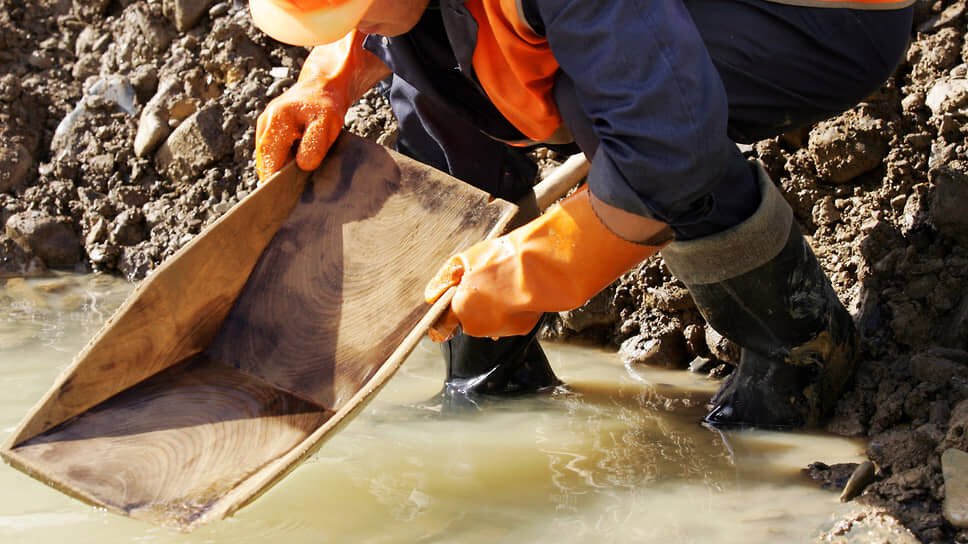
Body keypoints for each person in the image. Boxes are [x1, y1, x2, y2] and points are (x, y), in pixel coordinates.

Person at [248, 0, 914, 428]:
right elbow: (399, 27)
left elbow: (666, 146)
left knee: (604, 103)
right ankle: (493, 372)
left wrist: (531, 270)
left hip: (820, 21)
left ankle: (799, 346)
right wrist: (328, 77)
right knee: (437, 69)